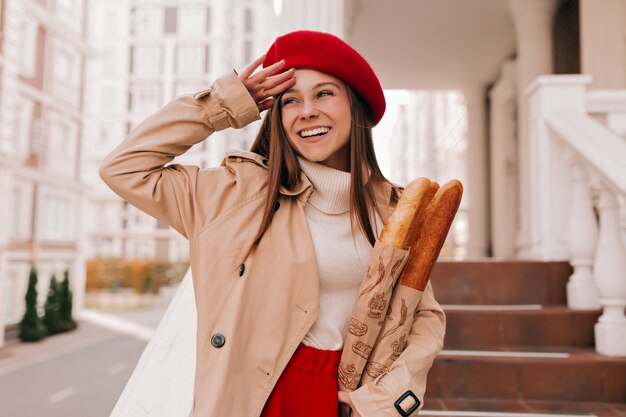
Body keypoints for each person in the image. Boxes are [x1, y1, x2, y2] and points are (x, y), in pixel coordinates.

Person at [100, 30, 445, 417]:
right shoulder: (232, 197)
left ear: (355, 106)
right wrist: (226, 103)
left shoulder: (394, 208)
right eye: (290, 100)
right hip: (254, 398)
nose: (307, 110)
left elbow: (421, 314)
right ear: (276, 116)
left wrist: (387, 398)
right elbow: (124, 168)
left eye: (324, 93)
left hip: (351, 400)